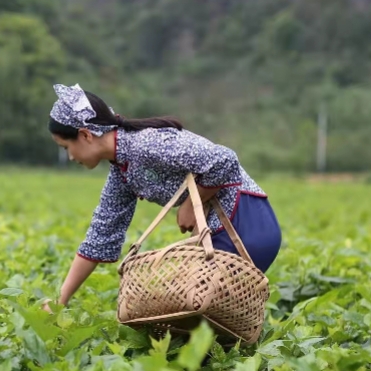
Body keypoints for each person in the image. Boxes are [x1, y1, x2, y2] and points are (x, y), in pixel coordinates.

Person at [43, 84, 281, 312]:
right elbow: (100, 237)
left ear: (85, 135)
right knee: (195, 323)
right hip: (225, 233)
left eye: (65, 147)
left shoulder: (146, 144)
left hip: (244, 223)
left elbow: (224, 160)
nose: (71, 157)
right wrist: (60, 302)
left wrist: (190, 203)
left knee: (191, 316)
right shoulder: (121, 171)